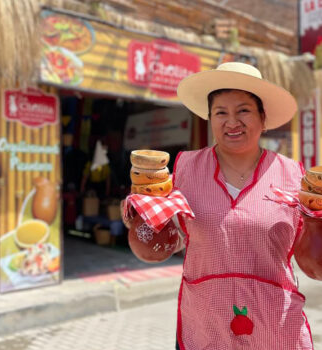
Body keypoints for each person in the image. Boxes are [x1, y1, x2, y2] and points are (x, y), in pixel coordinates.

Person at [123, 62, 315, 349]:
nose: (232, 121)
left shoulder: (293, 176)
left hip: (274, 326)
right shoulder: (185, 169)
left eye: (244, 111)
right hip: (205, 323)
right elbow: (175, 239)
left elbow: (307, 250)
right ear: (210, 119)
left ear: (263, 118)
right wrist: (143, 217)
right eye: (221, 112)